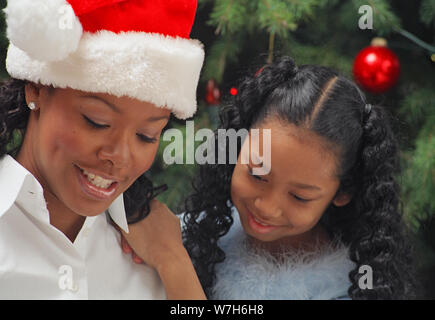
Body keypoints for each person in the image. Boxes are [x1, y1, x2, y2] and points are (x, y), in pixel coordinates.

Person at [122, 56, 418, 299]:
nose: (266, 207)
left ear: (343, 191)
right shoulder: (195, 233)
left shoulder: (348, 288)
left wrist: (174, 263)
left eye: (299, 196)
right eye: (257, 175)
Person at [0, 0, 205, 299]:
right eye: (97, 122)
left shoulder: (159, 253)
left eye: (147, 136)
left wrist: (174, 263)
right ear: (37, 87)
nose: (120, 156)